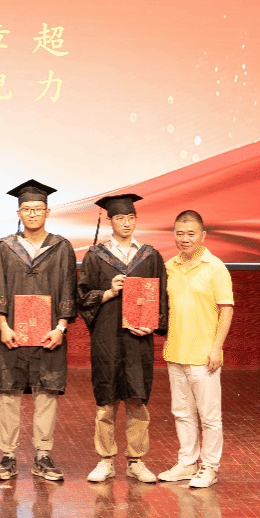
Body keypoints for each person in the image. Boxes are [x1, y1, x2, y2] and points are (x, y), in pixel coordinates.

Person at [0, 179, 78, 482]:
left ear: (47, 212)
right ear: (19, 213)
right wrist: (3, 326)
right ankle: (8, 456)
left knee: (46, 391)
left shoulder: (61, 247)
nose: (33, 213)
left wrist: (61, 328)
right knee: (9, 392)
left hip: (49, 331)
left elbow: (68, 288)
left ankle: (43, 455)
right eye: (27, 209)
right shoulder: (5, 247)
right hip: (12, 330)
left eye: (38, 209)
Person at [78, 193, 168, 484]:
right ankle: (105, 460)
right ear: (110, 221)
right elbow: (82, 297)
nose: (126, 223)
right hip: (107, 337)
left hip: (138, 339)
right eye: (120, 218)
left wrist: (152, 325)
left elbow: (161, 297)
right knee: (106, 400)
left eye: (130, 217)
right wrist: (108, 291)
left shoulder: (150, 256)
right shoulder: (96, 256)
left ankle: (136, 461)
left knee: (137, 399)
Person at [157, 210, 235, 489]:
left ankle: (209, 466)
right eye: (180, 233)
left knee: (209, 417)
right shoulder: (169, 267)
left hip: (204, 355)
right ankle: (187, 462)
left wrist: (217, 348)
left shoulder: (215, 267)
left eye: (191, 233)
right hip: (175, 352)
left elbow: (226, 309)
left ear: (203, 235)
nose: (185, 239)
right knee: (182, 413)